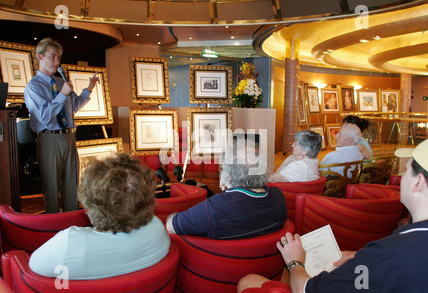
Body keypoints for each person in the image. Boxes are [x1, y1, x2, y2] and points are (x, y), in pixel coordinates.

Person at [238, 135, 428, 293]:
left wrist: (294, 262)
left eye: (407, 170)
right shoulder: (392, 252)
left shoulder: (388, 254)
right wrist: (361, 256)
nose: (401, 176)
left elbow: (304, 292)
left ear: (418, 182)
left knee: (248, 282)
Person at [29, 153, 170, 280]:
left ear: (88, 202)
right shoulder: (157, 228)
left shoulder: (68, 245)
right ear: (146, 198)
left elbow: (31, 266)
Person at [24, 37, 100, 213]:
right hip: (49, 139)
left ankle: (71, 223)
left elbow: (74, 106)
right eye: (53, 57)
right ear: (40, 57)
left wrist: (88, 89)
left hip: (68, 136)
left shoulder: (60, 82)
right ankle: (53, 226)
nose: (57, 62)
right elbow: (44, 117)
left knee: (71, 185)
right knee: (51, 187)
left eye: (59, 58)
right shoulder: (33, 87)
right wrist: (61, 95)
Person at [166, 139, 287, 240]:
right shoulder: (278, 197)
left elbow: (171, 226)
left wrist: (171, 214)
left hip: (214, 265)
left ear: (228, 174)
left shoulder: (216, 209)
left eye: (222, 168)